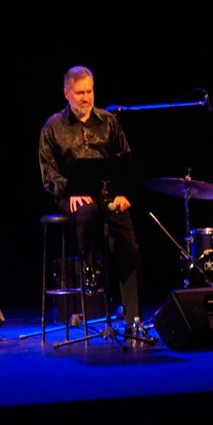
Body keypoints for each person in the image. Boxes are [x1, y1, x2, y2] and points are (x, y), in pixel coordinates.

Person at [38, 65, 143, 332]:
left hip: (108, 195)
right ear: (67, 93)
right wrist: (71, 190)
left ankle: (133, 317)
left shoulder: (109, 122)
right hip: (73, 197)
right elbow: (48, 173)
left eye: (89, 91)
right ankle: (89, 267)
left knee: (127, 243)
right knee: (87, 212)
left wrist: (123, 193)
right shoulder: (53, 127)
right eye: (80, 93)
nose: (86, 97)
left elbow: (126, 161)